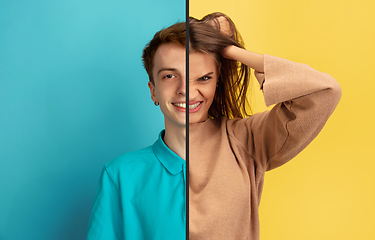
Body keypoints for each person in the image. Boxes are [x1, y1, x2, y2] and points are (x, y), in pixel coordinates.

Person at [87, 12, 341, 240]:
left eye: (204, 77)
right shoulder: (119, 174)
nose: (187, 90)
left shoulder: (247, 141)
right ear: (153, 90)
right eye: (170, 75)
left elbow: (324, 92)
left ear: (217, 82)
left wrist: (227, 50)